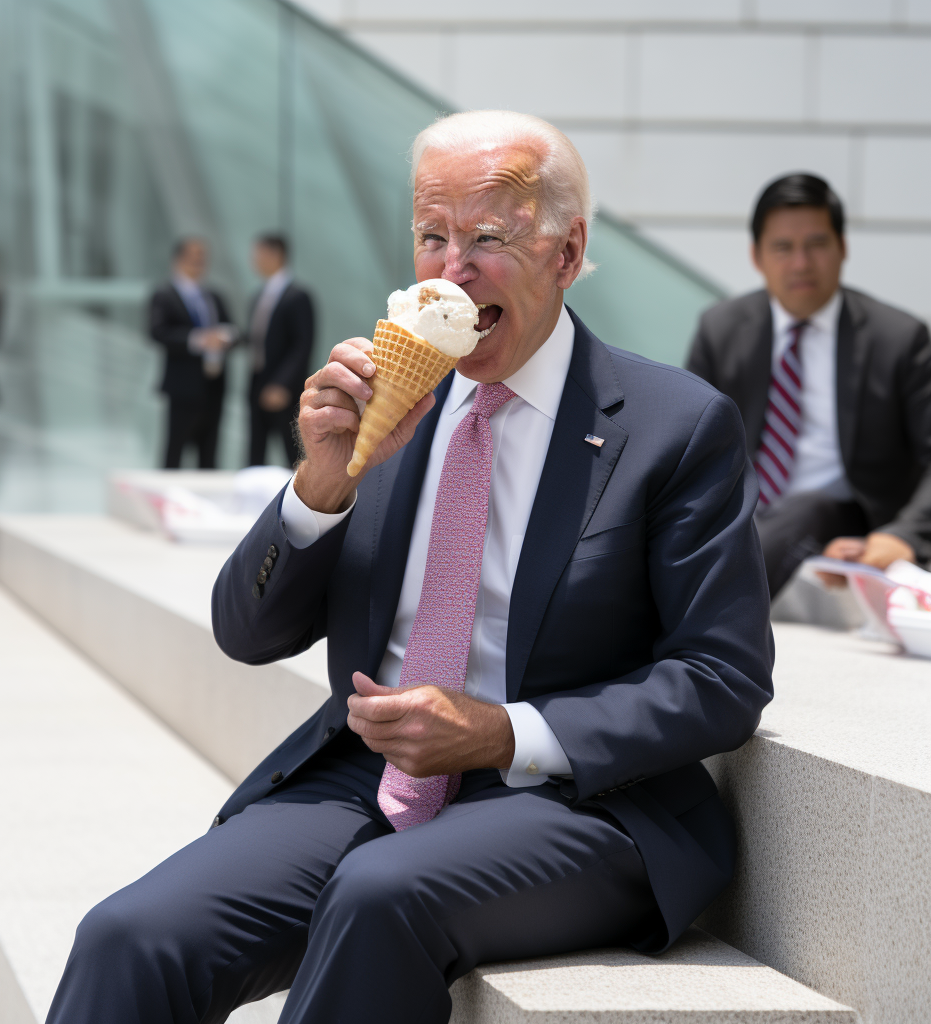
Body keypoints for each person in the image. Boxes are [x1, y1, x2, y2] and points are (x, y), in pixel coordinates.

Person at [47, 110, 774, 1024]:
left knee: (377, 894)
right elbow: (248, 631)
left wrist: (501, 732)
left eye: (488, 238)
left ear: (567, 249)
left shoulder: (674, 425)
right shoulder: (392, 401)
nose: (452, 269)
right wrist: (320, 481)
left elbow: (723, 677)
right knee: (131, 935)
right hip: (371, 779)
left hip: (579, 801)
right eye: (432, 236)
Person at [687, 174, 931, 597]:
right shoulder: (721, 330)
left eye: (816, 244)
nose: (801, 263)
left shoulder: (899, 339)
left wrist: (905, 536)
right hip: (745, 518)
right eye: (783, 248)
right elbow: (687, 451)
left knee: (810, 507)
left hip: (850, 527)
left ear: (843, 248)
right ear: (756, 257)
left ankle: (712, 596)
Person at [149, 237, 237, 469]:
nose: (199, 262)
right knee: (175, 449)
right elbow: (157, 332)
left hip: (214, 384)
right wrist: (198, 339)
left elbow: (233, 330)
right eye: (193, 257)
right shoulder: (164, 294)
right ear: (178, 260)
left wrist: (224, 337)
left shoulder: (213, 296)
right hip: (183, 386)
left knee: (209, 450)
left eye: (202, 258)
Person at [246, 234, 314, 467]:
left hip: (283, 387)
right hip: (256, 381)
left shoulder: (298, 296)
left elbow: (302, 345)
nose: (254, 260)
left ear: (276, 255)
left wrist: (281, 384)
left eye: (259, 254)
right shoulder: (258, 296)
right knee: (255, 451)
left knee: (292, 454)